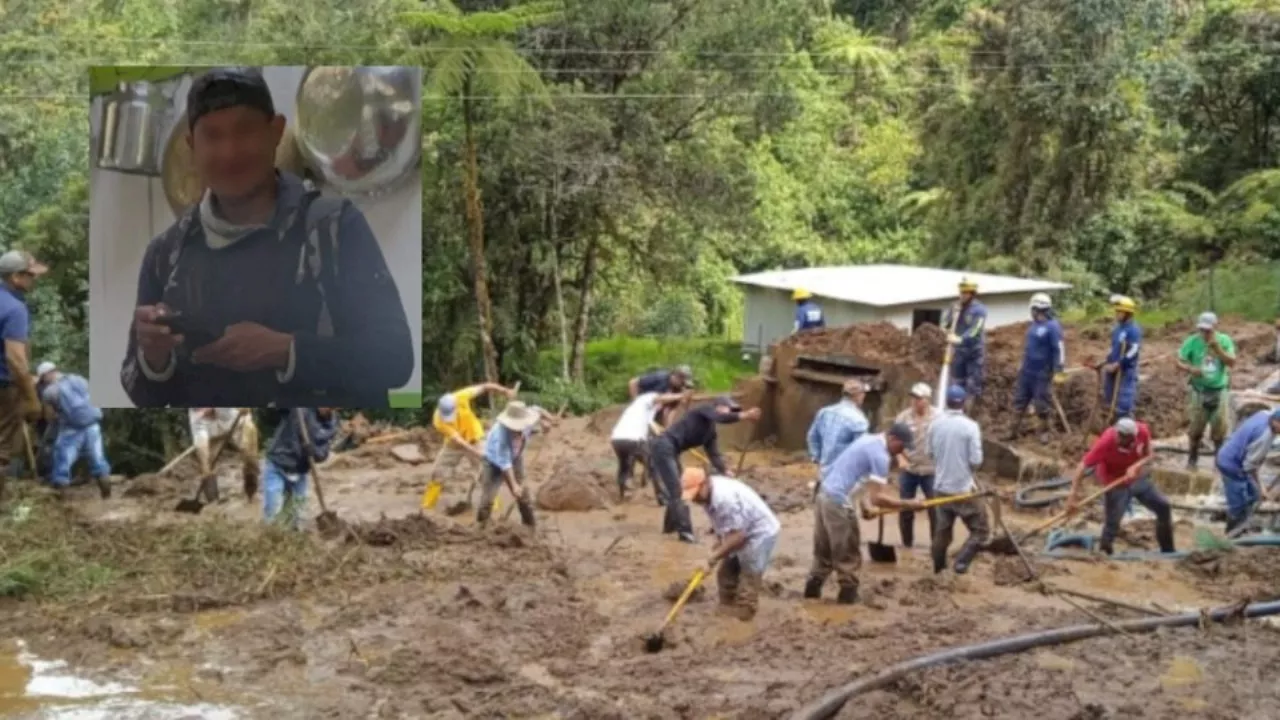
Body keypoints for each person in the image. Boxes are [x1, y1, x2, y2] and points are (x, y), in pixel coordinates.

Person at [120, 67, 414, 408]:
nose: (229, 152)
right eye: (212, 136)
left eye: (244, 131)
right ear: (192, 146)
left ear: (275, 131)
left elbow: (393, 359)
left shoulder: (332, 227)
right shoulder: (166, 253)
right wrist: (154, 359)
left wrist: (287, 351)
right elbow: (139, 388)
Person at [804, 423, 924, 604]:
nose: (902, 451)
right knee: (848, 554)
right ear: (892, 438)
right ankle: (847, 600)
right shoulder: (880, 456)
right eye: (901, 446)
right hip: (838, 503)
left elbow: (855, 474)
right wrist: (908, 504)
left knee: (823, 552)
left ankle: (811, 595)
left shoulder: (868, 440)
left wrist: (863, 504)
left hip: (824, 496)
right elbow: (878, 498)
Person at [649, 397, 761, 543]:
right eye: (729, 409)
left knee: (677, 488)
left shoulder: (710, 433)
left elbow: (713, 454)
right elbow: (720, 417)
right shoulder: (704, 409)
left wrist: (725, 470)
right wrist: (745, 415)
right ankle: (685, 534)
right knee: (678, 490)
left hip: (672, 451)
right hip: (663, 446)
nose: (730, 413)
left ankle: (670, 527)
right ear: (719, 406)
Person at [682, 468, 781, 621]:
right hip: (740, 529)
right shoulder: (708, 496)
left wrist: (711, 559)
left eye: (696, 494)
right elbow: (723, 527)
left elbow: (738, 536)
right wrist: (716, 548)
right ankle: (726, 610)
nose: (695, 499)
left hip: (759, 532)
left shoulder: (723, 498)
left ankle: (745, 614)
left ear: (705, 483)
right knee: (725, 574)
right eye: (692, 496)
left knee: (749, 574)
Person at [1066, 418, 1174, 554]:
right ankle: (1104, 555)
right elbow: (1082, 466)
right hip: (1115, 482)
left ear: (1133, 438)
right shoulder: (1106, 442)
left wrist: (1136, 466)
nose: (1119, 439)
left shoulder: (1142, 431)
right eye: (1119, 435)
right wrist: (1072, 495)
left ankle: (1168, 552)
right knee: (1112, 524)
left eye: (1124, 438)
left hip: (1137, 478)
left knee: (1164, 507)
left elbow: (1149, 455)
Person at [425, 382, 518, 508]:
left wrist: (505, 391)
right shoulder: (438, 421)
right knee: (438, 472)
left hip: (475, 438)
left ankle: (492, 506)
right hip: (454, 444)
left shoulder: (461, 396)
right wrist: (478, 454)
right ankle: (427, 506)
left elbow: (486, 386)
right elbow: (459, 441)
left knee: (485, 473)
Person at [926, 386, 988, 574]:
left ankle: (938, 569)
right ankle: (961, 564)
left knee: (942, 532)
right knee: (981, 530)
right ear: (964, 403)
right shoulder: (971, 427)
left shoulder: (934, 425)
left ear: (947, 402)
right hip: (963, 489)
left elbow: (929, 453)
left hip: (940, 488)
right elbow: (976, 460)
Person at [0, 250, 46, 501]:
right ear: (16, 277)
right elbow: (15, 359)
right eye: (30, 275)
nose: (34, 280)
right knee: (3, 448)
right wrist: (30, 397)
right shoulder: (14, 308)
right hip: (4, 387)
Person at [37, 363, 112, 500]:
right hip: (92, 424)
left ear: (47, 375)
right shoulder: (79, 379)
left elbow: (49, 416)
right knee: (97, 457)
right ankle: (106, 490)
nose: (43, 381)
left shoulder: (50, 391)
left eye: (42, 378)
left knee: (62, 457)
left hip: (71, 429)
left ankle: (61, 493)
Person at [1176, 312, 1236, 469]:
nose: (1204, 333)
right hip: (1199, 390)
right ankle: (1192, 460)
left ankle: (1219, 462)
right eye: (1202, 330)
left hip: (1219, 389)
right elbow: (1178, 361)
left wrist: (1218, 349)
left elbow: (1232, 362)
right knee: (1195, 428)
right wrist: (1190, 368)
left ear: (1215, 328)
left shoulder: (1224, 341)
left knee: (1219, 430)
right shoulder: (1192, 341)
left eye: (1208, 330)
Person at [262, 408, 337, 530]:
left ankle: (294, 539)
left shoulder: (330, 425)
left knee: (299, 517)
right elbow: (273, 410)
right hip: (278, 464)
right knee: (273, 511)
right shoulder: (299, 408)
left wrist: (313, 451)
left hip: (300, 471)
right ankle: (271, 539)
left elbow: (323, 453)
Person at [1007, 292, 1067, 444]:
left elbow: (1059, 349)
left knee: (1041, 404)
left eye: (1032, 309)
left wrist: (1059, 370)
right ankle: (1012, 431)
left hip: (1042, 373)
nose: (1031, 312)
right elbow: (1029, 348)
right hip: (1027, 372)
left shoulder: (1053, 327)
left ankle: (1044, 433)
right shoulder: (1034, 326)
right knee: (1019, 401)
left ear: (1037, 309)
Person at [610, 389, 690, 502]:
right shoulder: (649, 397)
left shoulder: (641, 410)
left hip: (616, 439)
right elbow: (659, 399)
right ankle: (663, 497)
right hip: (633, 440)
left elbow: (655, 428)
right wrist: (681, 395)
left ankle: (623, 495)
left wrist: (666, 432)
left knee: (624, 466)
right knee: (655, 464)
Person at [478, 401, 542, 528]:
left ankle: (529, 525)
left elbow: (537, 408)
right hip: (493, 461)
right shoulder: (500, 434)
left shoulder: (527, 419)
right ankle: (482, 527)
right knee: (488, 498)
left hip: (516, 457)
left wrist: (549, 421)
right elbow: (504, 462)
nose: (517, 430)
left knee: (523, 494)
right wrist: (514, 486)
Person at [1215, 409, 1280, 534]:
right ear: (1276, 422)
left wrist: (1258, 490)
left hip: (1230, 452)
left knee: (1254, 495)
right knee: (1239, 502)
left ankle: (1245, 523)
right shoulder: (1264, 437)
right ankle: (1233, 533)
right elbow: (1250, 468)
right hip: (1231, 465)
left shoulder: (1264, 414)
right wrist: (1262, 488)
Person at [806, 379, 870, 500]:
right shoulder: (859, 420)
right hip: (844, 480)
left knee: (821, 512)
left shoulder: (825, 412)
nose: (864, 396)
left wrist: (817, 458)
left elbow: (812, 436)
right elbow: (862, 453)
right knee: (840, 515)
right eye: (863, 393)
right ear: (857, 396)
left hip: (824, 474)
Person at [188, 408, 261, 503]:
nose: (204, 412)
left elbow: (246, 408)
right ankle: (213, 502)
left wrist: (244, 409)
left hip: (238, 424)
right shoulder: (196, 417)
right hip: (214, 433)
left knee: (250, 457)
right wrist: (206, 469)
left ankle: (251, 493)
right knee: (207, 463)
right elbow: (201, 443)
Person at [895, 382, 937, 548]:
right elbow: (895, 443)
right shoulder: (903, 418)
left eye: (918, 398)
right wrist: (900, 458)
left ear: (927, 400)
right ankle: (907, 544)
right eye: (913, 397)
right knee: (905, 508)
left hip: (931, 469)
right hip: (909, 469)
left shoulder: (939, 417)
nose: (914, 401)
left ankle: (936, 546)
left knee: (935, 509)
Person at [942, 277, 987, 410]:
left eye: (965, 293)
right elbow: (945, 323)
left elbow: (975, 330)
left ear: (972, 294)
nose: (961, 295)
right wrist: (946, 329)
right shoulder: (955, 307)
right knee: (957, 381)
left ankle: (971, 410)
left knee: (973, 384)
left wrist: (961, 339)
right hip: (959, 352)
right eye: (961, 293)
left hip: (974, 352)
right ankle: (956, 406)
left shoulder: (980, 310)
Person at [1098, 296, 1142, 420]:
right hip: (1112, 368)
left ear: (1127, 313)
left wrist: (1119, 364)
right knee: (1109, 398)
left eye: (1119, 312)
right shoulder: (1117, 329)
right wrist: (1107, 360)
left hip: (1126, 370)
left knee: (1124, 403)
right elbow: (1114, 347)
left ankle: (1125, 425)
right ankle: (1111, 424)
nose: (1116, 314)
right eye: (1116, 311)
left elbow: (1134, 350)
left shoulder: (1134, 330)